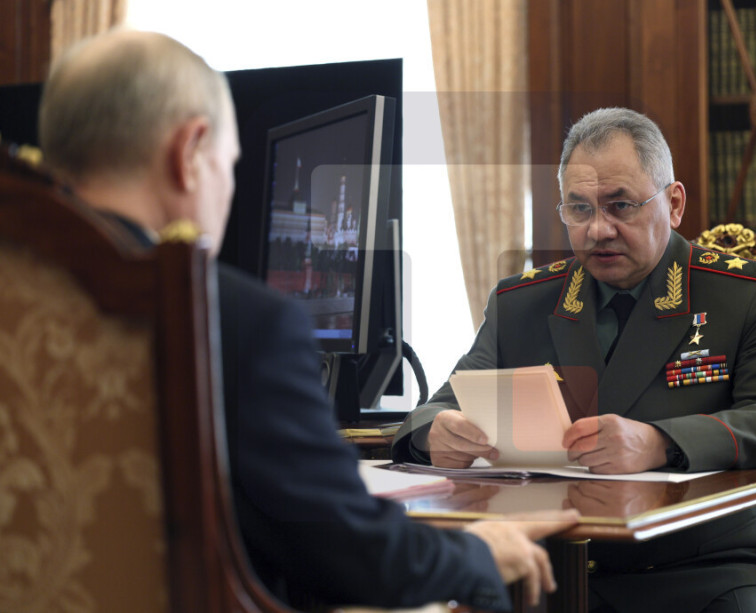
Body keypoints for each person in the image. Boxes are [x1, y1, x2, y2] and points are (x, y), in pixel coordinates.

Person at [37, 28, 578, 612]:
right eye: (227, 164)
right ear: (188, 153)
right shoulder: (236, 324)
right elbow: (352, 555)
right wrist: (480, 554)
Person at [391, 107, 756, 613]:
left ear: (674, 203)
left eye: (621, 206)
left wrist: (659, 443)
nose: (598, 230)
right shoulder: (522, 304)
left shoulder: (743, 293)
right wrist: (435, 433)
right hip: (556, 566)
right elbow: (434, 411)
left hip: (709, 567)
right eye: (579, 209)